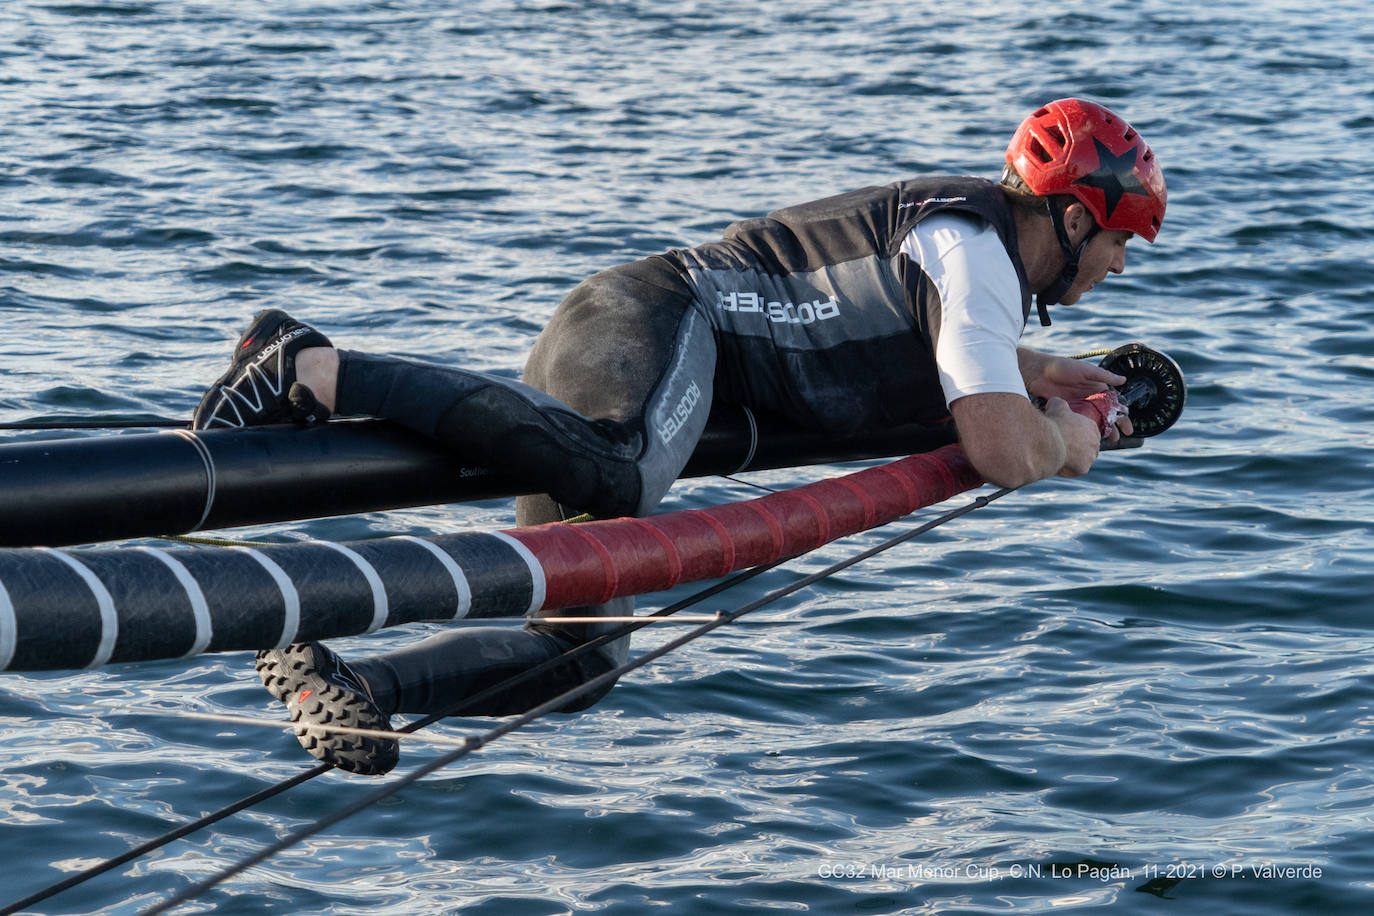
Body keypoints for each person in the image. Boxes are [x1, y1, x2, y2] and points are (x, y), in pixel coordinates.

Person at [192, 98, 1166, 775]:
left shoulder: (974, 258)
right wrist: (1064, 443)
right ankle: (306, 366)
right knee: (617, 474)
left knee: (577, 660)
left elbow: (918, 341)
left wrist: (1037, 373)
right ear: (1073, 220)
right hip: (658, 317)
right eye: (1121, 241)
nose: (1120, 267)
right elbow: (1002, 449)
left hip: (644, 342)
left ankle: (345, 680)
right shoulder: (976, 251)